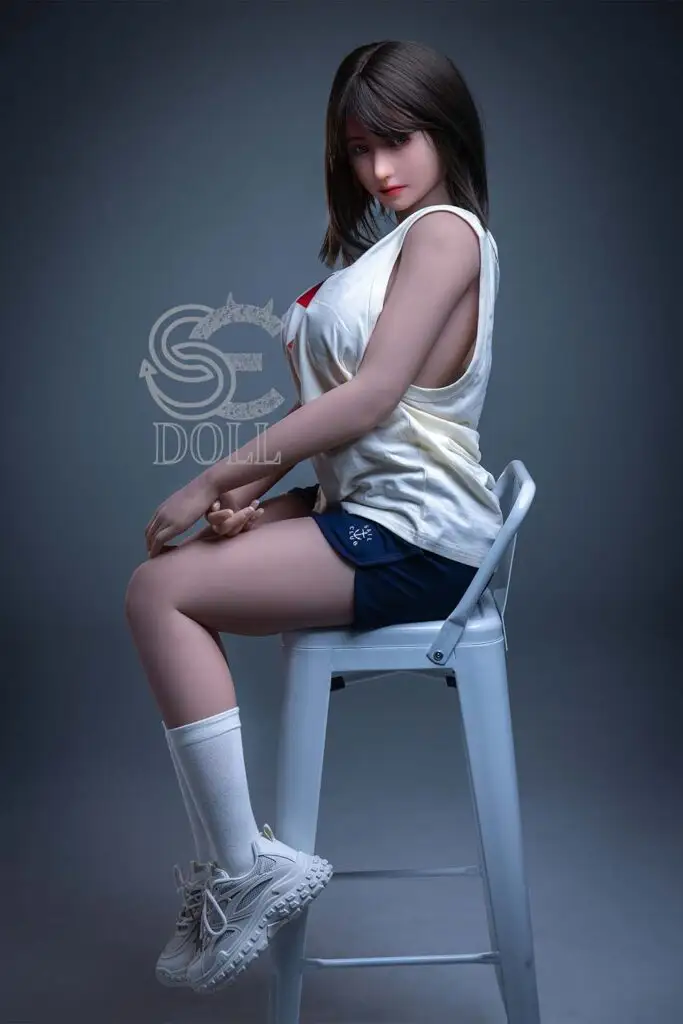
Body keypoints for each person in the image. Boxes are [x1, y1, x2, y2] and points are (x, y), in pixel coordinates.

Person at [124, 38, 504, 996]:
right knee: (161, 587)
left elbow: (370, 400)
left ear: (444, 129)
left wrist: (209, 481)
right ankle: (238, 865)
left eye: (397, 140)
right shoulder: (395, 243)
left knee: (159, 594)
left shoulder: (446, 233)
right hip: (381, 519)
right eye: (359, 149)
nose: (378, 169)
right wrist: (272, 503)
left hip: (421, 540)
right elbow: (379, 448)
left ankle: (243, 868)